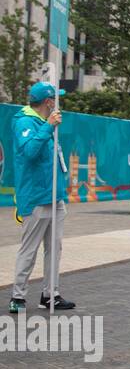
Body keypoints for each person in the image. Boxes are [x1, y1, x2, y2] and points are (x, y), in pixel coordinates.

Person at [8, 81, 75, 313]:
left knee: (54, 248)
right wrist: (48, 126)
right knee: (29, 249)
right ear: (48, 101)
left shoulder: (46, 123)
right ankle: (18, 297)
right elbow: (29, 152)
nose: (57, 103)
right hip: (36, 197)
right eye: (55, 98)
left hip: (54, 196)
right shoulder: (24, 122)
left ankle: (50, 294)